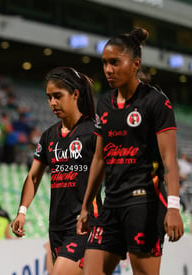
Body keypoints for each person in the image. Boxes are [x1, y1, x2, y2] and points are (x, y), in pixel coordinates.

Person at [77, 27, 184, 275]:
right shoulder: (104, 103)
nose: (108, 70)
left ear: (135, 64)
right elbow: (99, 158)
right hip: (110, 205)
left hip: (143, 202)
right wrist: (86, 206)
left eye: (115, 62)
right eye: (105, 63)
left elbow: (170, 159)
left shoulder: (156, 101)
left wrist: (174, 207)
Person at [11, 66, 100, 275]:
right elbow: (33, 177)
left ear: (75, 94)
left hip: (85, 224)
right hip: (56, 226)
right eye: (49, 97)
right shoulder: (49, 136)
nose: (52, 103)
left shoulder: (94, 132)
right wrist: (22, 211)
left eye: (58, 96)